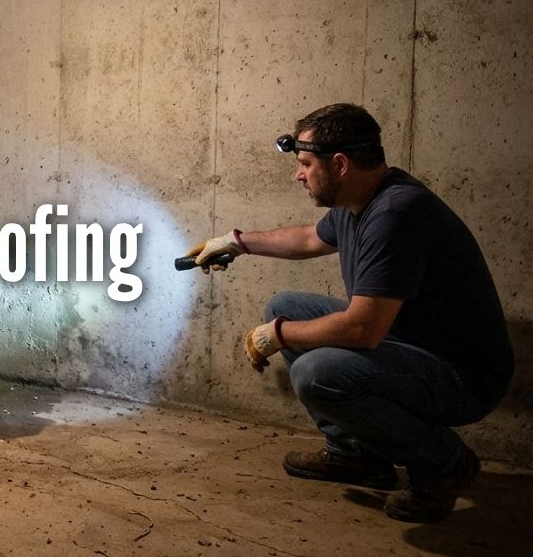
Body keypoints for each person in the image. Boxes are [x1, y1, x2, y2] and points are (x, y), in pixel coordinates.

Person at [185, 103, 513, 523]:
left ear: (339, 164)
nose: (297, 175)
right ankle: (356, 455)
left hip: (461, 377)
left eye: (305, 164)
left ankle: (445, 464)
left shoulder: (395, 214)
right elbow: (307, 239)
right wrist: (235, 242)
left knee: (316, 372)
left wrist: (277, 335)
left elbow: (362, 329)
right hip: (410, 344)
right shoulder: (357, 199)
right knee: (285, 305)